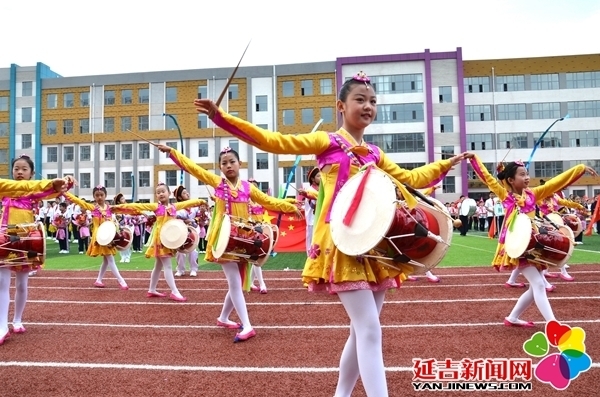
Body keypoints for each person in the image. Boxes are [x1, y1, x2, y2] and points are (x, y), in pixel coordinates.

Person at [193, 71, 465, 396]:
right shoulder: (327, 142)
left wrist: (445, 164)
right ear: (341, 105)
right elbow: (276, 141)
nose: (368, 106)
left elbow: (410, 178)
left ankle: (341, 394)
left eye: (373, 101)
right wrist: (221, 118)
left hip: (375, 243)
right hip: (342, 242)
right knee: (368, 328)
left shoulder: (375, 154)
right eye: (360, 100)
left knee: (362, 329)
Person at [158, 144, 302, 342]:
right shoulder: (218, 183)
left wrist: (288, 207)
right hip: (224, 239)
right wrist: (172, 153)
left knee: (239, 284)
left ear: (240, 164)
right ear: (220, 167)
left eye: (232, 162)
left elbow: (268, 201)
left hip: (244, 239)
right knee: (235, 283)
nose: (228, 166)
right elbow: (194, 168)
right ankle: (247, 325)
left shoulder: (247, 187)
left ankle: (223, 317)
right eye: (224, 163)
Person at [467, 154, 597, 328]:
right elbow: (488, 179)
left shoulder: (533, 194)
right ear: (511, 180)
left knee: (534, 286)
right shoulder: (505, 195)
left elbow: (555, 183)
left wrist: (578, 169)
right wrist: (474, 158)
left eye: (526, 173)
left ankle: (512, 318)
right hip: (518, 244)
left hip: (534, 243)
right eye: (522, 174)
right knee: (538, 283)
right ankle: (553, 324)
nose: (527, 177)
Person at [0, 156, 74, 346]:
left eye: (24, 169)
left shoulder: (35, 191)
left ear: (32, 173)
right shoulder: (5, 189)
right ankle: (2, 326)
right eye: (16, 168)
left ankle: (17, 320)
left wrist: (65, 182)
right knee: (2, 282)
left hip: (28, 242)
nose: (19, 172)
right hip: (6, 239)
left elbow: (53, 190)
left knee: (22, 284)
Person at [113, 184, 205, 302]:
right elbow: (138, 205)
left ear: (169, 193)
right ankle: (174, 291)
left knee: (158, 266)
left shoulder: (174, 207)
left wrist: (202, 201)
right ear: (156, 196)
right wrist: (118, 207)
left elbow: (189, 203)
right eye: (158, 192)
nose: (161, 194)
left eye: (163, 191)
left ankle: (152, 289)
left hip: (169, 239)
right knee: (167, 265)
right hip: (161, 240)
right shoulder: (156, 207)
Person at [65, 187, 130, 290]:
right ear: (93, 196)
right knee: (110, 258)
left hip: (108, 235)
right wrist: (65, 193)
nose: (99, 197)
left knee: (106, 259)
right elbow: (77, 201)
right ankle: (121, 280)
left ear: (105, 195)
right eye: (97, 195)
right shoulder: (93, 207)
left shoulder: (110, 208)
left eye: (101, 195)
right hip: (100, 236)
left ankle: (99, 280)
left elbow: (124, 208)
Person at [173, 186, 200, 277]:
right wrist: (184, 221)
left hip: (193, 231)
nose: (187, 194)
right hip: (181, 231)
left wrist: (195, 220)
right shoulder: (177, 208)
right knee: (180, 250)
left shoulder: (194, 207)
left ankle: (194, 269)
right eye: (184, 193)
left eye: (187, 192)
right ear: (180, 197)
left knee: (193, 250)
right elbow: (174, 219)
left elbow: (199, 217)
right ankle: (180, 269)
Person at [114, 193, 133, 264]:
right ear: (118, 202)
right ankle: (122, 257)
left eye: (123, 198)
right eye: (121, 199)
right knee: (120, 241)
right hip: (121, 226)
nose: (124, 199)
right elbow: (116, 218)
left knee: (128, 241)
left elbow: (132, 215)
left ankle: (128, 256)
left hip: (129, 225)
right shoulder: (117, 209)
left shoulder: (128, 207)